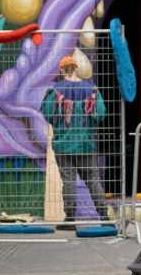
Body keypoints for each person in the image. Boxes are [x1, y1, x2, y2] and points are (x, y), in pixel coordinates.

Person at [41, 55, 108, 222]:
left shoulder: (56, 90)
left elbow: (48, 114)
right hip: (86, 145)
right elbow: (100, 114)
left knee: (68, 180)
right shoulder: (91, 89)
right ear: (76, 68)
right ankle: (103, 215)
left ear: (62, 70)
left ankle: (70, 217)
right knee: (93, 179)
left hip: (63, 146)